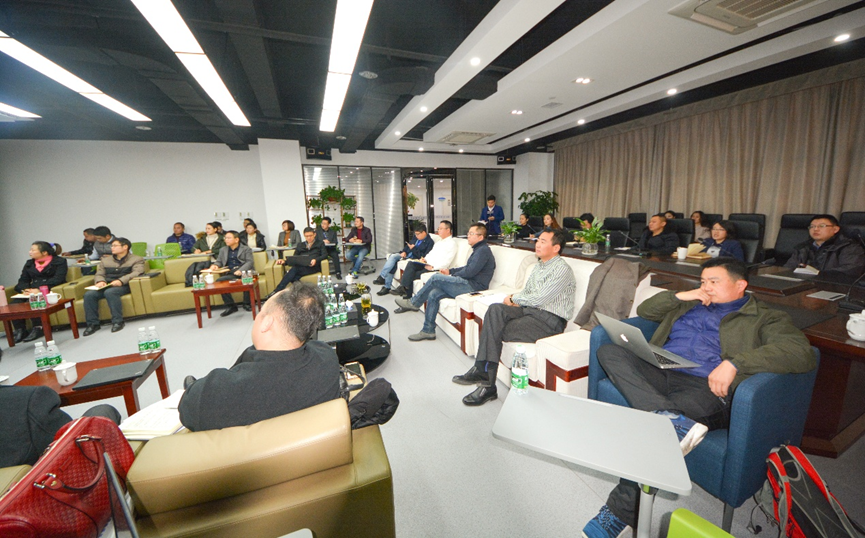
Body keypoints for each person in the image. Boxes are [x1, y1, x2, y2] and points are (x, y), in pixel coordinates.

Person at [582, 257, 815, 538]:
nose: (706, 287)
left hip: (706, 387)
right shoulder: (691, 302)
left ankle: (616, 515)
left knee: (656, 433)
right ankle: (666, 416)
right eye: (703, 281)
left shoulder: (765, 317)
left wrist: (736, 363)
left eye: (714, 282)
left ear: (740, 285)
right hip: (663, 369)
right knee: (609, 351)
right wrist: (682, 295)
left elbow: (801, 352)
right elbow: (645, 310)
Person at [178, 283, 340, 432]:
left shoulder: (225, 390)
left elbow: (187, 407)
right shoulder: (327, 358)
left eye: (261, 313)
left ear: (267, 323)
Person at [453, 228, 576, 406]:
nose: (537, 244)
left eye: (543, 241)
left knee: (494, 329)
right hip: (530, 311)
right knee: (495, 310)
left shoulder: (561, 270)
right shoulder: (540, 266)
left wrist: (513, 299)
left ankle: (486, 382)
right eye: (538, 240)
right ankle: (482, 371)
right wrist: (514, 298)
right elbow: (528, 292)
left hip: (548, 321)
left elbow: (539, 298)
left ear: (556, 248)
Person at [395, 224, 496, 341]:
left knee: (436, 278)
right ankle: (428, 330)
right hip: (468, 282)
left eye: (471, 234)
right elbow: (467, 268)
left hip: (473, 287)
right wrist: (450, 271)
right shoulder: (478, 250)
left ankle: (414, 303)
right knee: (434, 294)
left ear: (480, 237)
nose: (468, 236)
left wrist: (452, 276)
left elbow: (469, 272)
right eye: (468, 233)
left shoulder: (483, 251)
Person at [0, 385, 120, 467]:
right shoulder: (28, 398)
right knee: (103, 411)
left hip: (10, 490)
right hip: (48, 488)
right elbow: (71, 443)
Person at [83, 237, 145, 335]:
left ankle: (118, 321)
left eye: (115, 246)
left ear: (125, 247)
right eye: (111, 246)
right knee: (89, 295)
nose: (112, 248)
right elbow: (99, 274)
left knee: (110, 292)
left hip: (124, 285)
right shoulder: (106, 260)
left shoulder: (136, 259)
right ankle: (93, 324)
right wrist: (100, 281)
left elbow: (137, 272)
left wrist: (121, 281)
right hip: (107, 284)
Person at [11, 241, 68, 343]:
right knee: (14, 304)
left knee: (34, 301)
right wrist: (25, 289)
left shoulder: (59, 261)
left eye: (33, 250)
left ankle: (38, 328)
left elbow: (58, 279)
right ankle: (20, 330)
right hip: (32, 291)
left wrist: (39, 289)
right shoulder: (29, 264)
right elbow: (23, 280)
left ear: (44, 252)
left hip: (49, 289)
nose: (30, 252)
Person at [784, 214, 865, 279]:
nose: (815, 229)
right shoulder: (803, 247)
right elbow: (788, 269)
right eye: (812, 226)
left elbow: (850, 271)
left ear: (835, 229)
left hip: (834, 286)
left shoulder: (849, 247)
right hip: (805, 284)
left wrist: (818, 274)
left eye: (822, 226)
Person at [394, 220, 458, 298]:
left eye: (441, 228)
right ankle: (403, 288)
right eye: (438, 228)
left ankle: (406, 294)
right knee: (411, 264)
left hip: (434, 268)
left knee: (412, 274)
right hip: (427, 263)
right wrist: (424, 259)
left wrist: (433, 267)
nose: (438, 230)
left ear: (448, 230)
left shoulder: (452, 244)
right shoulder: (439, 242)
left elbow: (447, 262)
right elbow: (431, 254)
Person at [265, 227, 327, 299]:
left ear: (314, 235)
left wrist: (316, 260)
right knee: (294, 276)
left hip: (313, 267)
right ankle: (303, 293)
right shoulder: (300, 245)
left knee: (294, 270)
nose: (309, 238)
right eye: (306, 236)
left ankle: (277, 291)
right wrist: (285, 262)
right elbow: (295, 258)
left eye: (310, 235)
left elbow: (325, 255)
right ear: (304, 236)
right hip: (302, 266)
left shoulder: (320, 243)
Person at [374, 224, 435, 296]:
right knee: (393, 257)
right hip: (406, 255)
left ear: (424, 232)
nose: (416, 236)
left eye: (418, 234)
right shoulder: (416, 238)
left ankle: (386, 285)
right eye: (415, 234)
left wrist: (414, 249)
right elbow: (407, 246)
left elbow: (423, 256)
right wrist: (404, 252)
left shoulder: (430, 242)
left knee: (393, 263)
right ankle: (383, 277)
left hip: (414, 258)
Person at [209, 230, 254, 317]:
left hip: (244, 271)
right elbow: (219, 261)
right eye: (225, 238)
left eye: (229, 238)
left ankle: (247, 304)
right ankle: (231, 306)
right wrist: (215, 265)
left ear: (236, 239)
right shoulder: (223, 250)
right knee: (219, 281)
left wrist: (241, 270)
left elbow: (250, 262)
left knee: (246, 279)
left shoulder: (246, 249)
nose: (226, 240)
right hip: (231, 272)